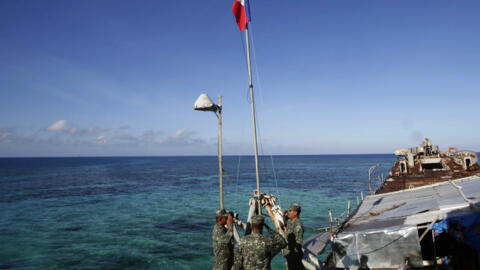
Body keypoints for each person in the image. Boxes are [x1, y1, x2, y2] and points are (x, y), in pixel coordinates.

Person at [282, 203, 305, 270]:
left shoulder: (298, 226)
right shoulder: (290, 220)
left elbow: (298, 242)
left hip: (293, 254)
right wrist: (284, 216)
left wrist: (292, 256)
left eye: (290, 211)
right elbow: (286, 223)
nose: (288, 212)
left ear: (295, 213)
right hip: (288, 253)